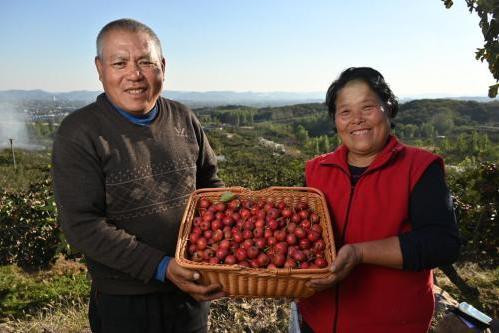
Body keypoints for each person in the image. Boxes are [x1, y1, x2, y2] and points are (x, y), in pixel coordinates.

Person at [52, 18, 225, 333]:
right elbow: (82, 226)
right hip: (125, 302)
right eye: (120, 63)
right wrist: (161, 267)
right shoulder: (80, 133)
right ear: (100, 69)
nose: (134, 74)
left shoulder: (184, 118)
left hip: (190, 292)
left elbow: (209, 186)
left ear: (163, 66)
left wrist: (221, 248)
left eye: (146, 62)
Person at [297, 67, 460, 333]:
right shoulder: (316, 170)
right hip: (316, 321)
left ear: (389, 107)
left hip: (392, 325)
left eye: (368, 107)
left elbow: (442, 243)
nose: (357, 120)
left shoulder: (419, 167)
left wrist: (360, 253)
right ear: (335, 119)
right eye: (345, 111)